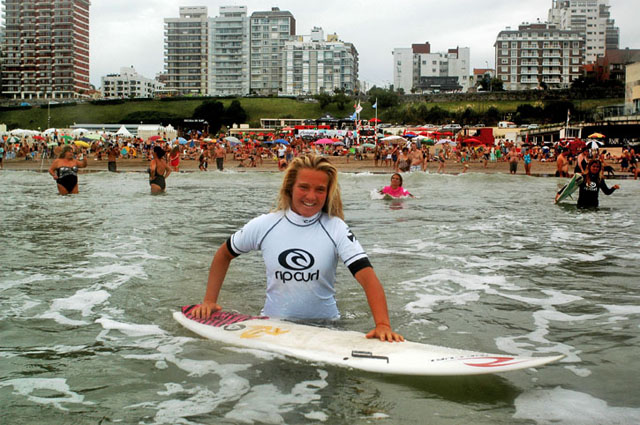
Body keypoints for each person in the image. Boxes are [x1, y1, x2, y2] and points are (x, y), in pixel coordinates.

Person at [190, 155, 404, 343]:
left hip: (326, 327)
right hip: (272, 325)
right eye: (304, 187)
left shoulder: (336, 228)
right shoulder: (265, 224)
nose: (311, 196)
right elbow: (223, 254)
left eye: (320, 189)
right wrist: (209, 301)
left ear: (328, 193)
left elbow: (367, 277)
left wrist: (383, 324)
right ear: (289, 187)